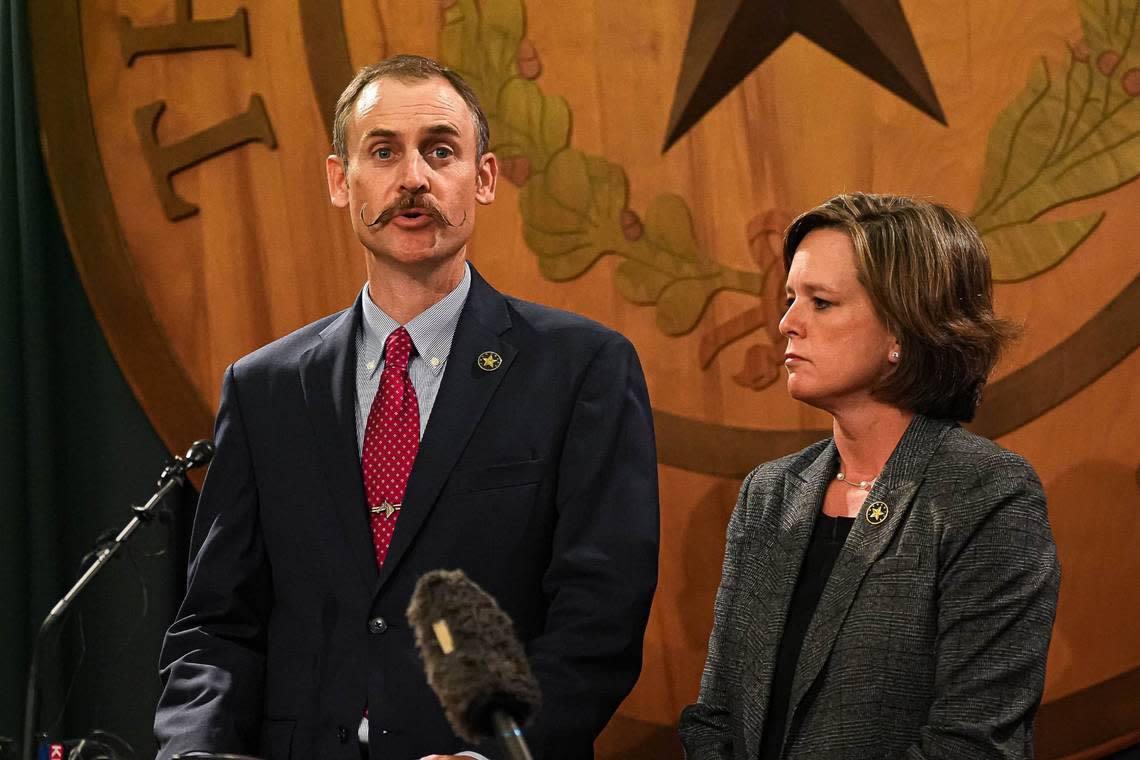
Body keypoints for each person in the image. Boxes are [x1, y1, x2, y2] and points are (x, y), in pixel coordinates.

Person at [153, 55, 659, 760]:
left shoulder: (581, 369)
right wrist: (191, 750)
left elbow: (600, 614)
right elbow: (215, 625)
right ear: (341, 180)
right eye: (383, 151)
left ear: (483, 179)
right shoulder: (265, 388)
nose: (413, 179)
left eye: (440, 151)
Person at [678, 193, 1060, 759]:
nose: (786, 324)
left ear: (903, 332)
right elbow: (715, 718)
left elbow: (971, 745)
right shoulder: (769, 494)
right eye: (790, 299)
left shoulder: (987, 494)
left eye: (822, 303)